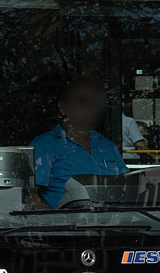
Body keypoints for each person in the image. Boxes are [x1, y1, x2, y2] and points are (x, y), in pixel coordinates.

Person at [30, 79, 125, 207]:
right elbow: (29, 194)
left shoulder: (107, 147)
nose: (90, 107)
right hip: (66, 224)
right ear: (62, 107)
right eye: (82, 101)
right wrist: (55, 221)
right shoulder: (44, 145)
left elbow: (126, 189)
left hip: (112, 224)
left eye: (95, 102)